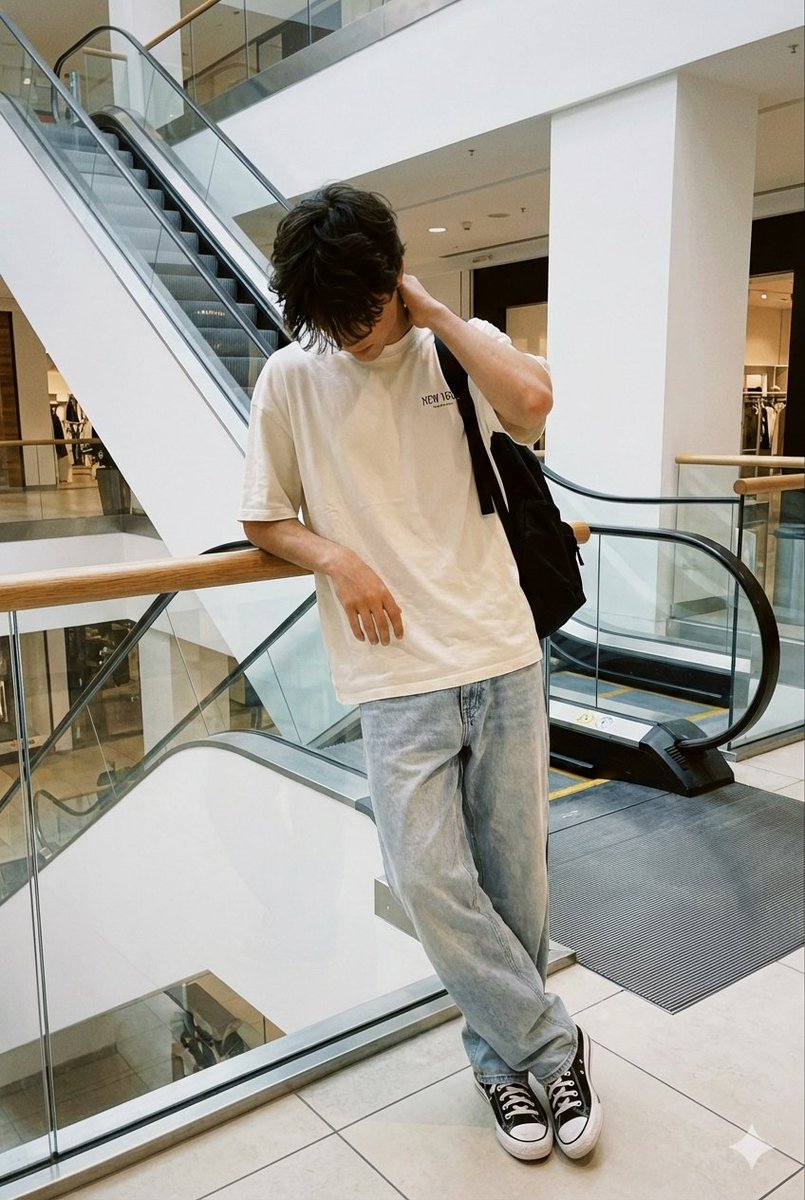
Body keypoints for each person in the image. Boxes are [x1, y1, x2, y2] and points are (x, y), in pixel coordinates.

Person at [239, 183, 602, 1162]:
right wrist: (338, 558)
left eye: (361, 313)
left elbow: (534, 403)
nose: (349, 337)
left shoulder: (454, 346)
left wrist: (435, 313)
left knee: (516, 881)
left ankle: (500, 1065)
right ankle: (553, 1046)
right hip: (391, 673)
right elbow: (263, 514)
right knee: (428, 879)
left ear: (392, 278)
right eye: (327, 320)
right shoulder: (290, 377)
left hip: (500, 649)